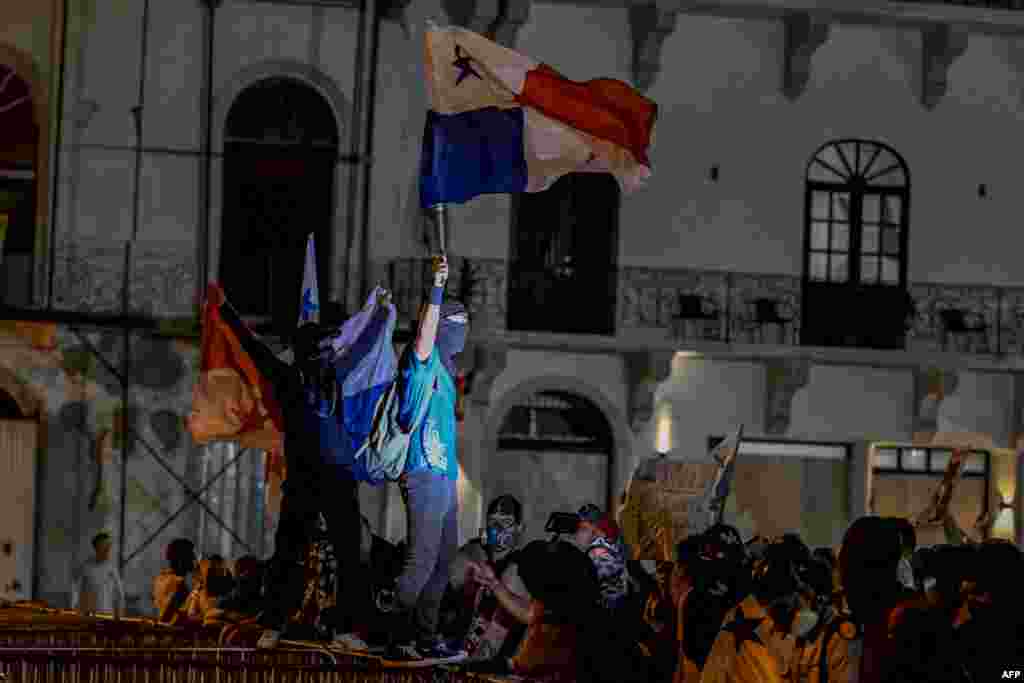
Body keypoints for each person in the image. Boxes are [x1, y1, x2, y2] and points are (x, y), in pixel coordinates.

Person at [218, 291, 390, 650]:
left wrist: (379, 315)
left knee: (349, 554)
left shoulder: (335, 376)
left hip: (338, 478)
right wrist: (224, 310)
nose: (329, 354)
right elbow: (253, 348)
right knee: (289, 551)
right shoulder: (287, 378)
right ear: (307, 354)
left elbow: (359, 349)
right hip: (304, 481)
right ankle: (276, 621)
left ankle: (344, 628)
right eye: (322, 349)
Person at [385, 255, 468, 661]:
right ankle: (395, 633)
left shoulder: (449, 371)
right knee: (421, 558)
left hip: (444, 478)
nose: (463, 334)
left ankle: (424, 634)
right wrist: (436, 289)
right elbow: (423, 337)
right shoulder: (424, 362)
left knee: (443, 559)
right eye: (457, 325)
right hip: (422, 473)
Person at [445, 495, 529, 661]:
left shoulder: (520, 565)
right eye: (493, 522)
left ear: (519, 528)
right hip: (457, 643)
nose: (498, 529)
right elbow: (454, 578)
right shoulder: (475, 551)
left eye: (506, 523)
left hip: (491, 654)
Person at [71, 532, 125, 617]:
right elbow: (75, 589)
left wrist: (120, 614)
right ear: (96, 548)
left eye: (109, 546)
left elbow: (119, 594)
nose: (108, 549)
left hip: (108, 616)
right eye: (104, 546)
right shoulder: (86, 567)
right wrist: (75, 609)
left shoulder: (113, 569)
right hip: (88, 615)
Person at [153, 538, 197, 624]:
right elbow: (168, 616)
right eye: (191, 555)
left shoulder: (160, 579)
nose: (194, 559)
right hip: (173, 632)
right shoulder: (179, 584)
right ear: (181, 560)